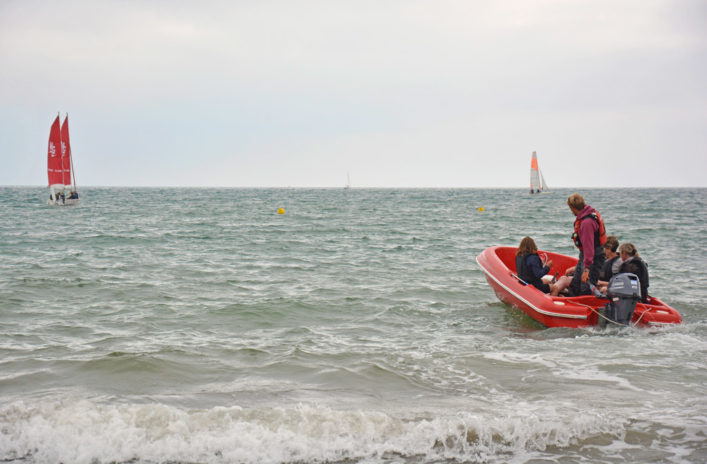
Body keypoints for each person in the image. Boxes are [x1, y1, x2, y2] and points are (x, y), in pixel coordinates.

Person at [567, 193, 607, 296]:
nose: (571, 211)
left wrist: (586, 269)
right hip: (586, 256)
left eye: (570, 208)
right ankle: (573, 305)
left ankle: (587, 308)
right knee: (575, 285)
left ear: (572, 207)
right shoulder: (589, 213)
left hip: (593, 257)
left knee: (585, 288)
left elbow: (589, 248)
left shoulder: (587, 223)